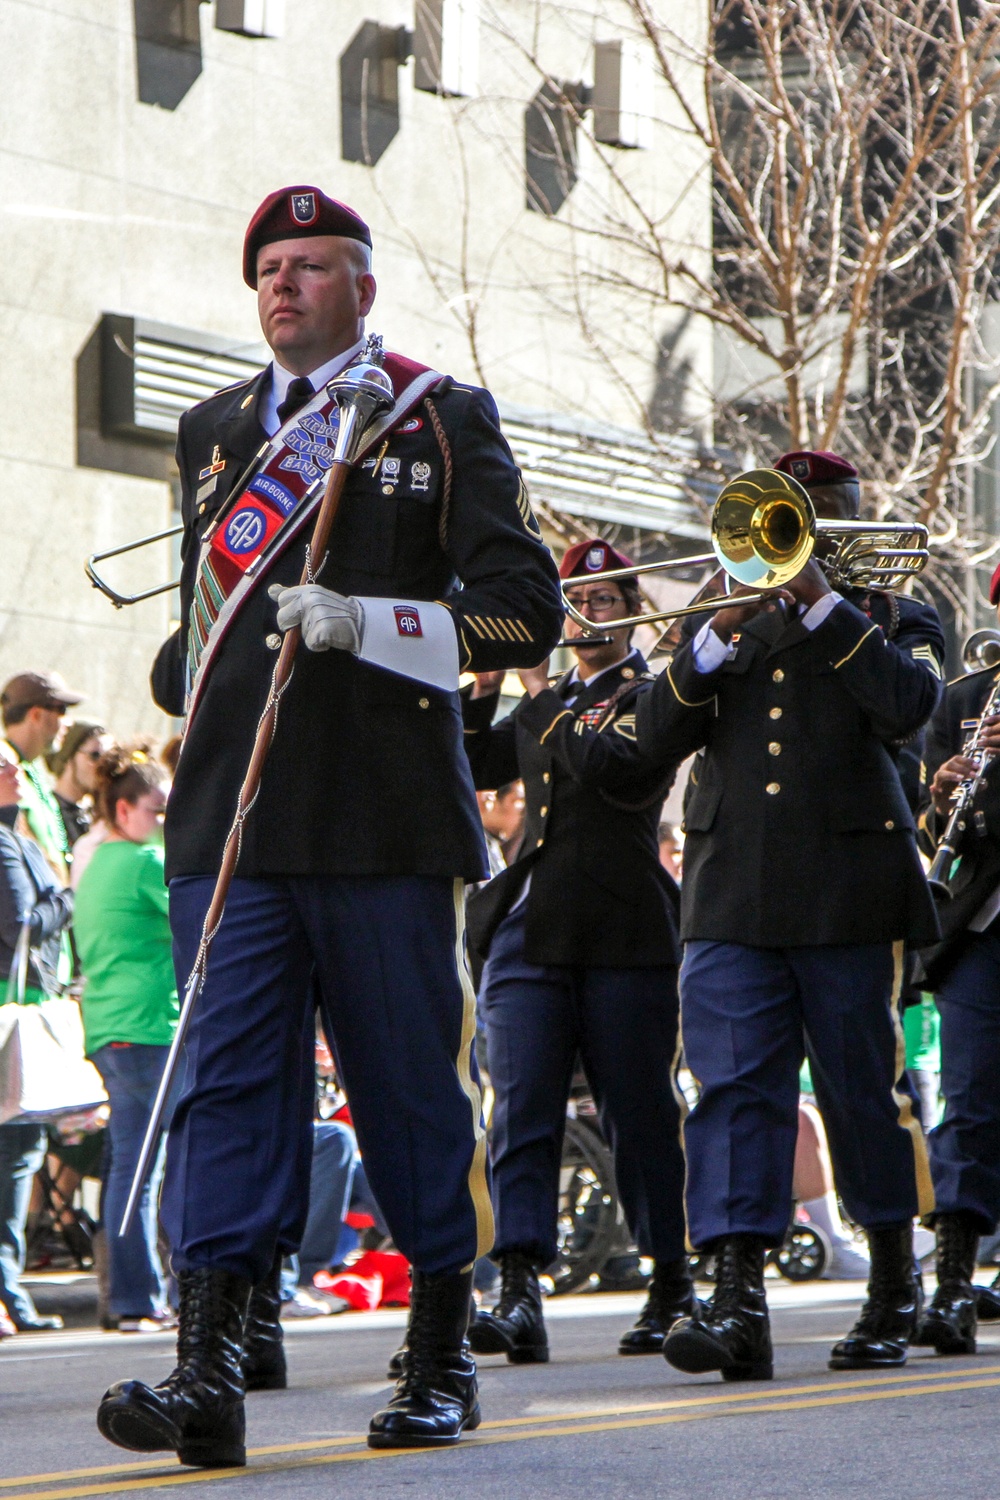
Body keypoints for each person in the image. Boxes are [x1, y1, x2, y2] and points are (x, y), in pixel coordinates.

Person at [96, 184, 563, 1466]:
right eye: (269, 269)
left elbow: (528, 613)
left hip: (381, 824)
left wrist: (378, 622)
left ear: (363, 285)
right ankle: (209, 1368)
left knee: (410, 1088)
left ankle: (439, 1352)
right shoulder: (214, 427)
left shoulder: (438, 413)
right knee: (226, 1094)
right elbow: (215, 620)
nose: (283, 286)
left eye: (310, 265)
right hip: (231, 827)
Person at [636, 450, 945, 1381]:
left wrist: (819, 600)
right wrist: (719, 630)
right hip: (732, 889)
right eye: (786, 513)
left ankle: (894, 1282)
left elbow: (911, 706)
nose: (797, 530)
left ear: (851, 520)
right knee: (732, 1091)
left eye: (818, 513)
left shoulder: (896, 614)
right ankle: (736, 1303)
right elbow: (651, 737)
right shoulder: (716, 613)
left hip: (848, 891)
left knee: (859, 1094)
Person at [461, 538, 692, 1364]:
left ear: (633, 612)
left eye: (605, 600)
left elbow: (618, 774)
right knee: (520, 1107)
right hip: (532, 928)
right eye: (578, 600)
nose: (588, 615)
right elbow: (468, 757)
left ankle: (672, 1282)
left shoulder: (654, 692)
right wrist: (484, 685)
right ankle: (519, 1285)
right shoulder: (544, 697)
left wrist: (535, 697)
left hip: (624, 926)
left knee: (639, 1111)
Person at [913, 560, 1000, 1352]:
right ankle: (950, 1282)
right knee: (968, 1103)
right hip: (981, 930)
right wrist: (945, 794)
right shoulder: (964, 702)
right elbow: (938, 836)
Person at [73, 746, 177, 1333]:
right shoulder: (141, 863)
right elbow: (207, 916)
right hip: (143, 1029)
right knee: (145, 1172)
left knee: (131, 1169)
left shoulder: (103, 860)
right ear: (122, 808)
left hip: (117, 1026)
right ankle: (139, 1299)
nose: (165, 822)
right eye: (157, 812)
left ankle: (133, 1298)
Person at [0, 749, 73, 1331]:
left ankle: (12, 1294)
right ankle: (10, 1295)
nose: (14, 773)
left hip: (26, 1010)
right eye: (0, 767)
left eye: (15, 767)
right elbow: (20, 926)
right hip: (11, 1018)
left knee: (21, 1157)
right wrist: (70, 898)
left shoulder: (18, 840)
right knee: (14, 1158)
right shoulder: (5, 844)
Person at [0, 671, 85, 880]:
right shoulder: (4, 771)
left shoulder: (34, 767)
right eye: (62, 710)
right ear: (36, 715)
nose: (68, 722)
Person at [46, 722, 111, 852]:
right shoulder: (45, 810)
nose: (102, 766)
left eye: (107, 759)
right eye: (95, 755)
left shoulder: (97, 817)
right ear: (69, 757)